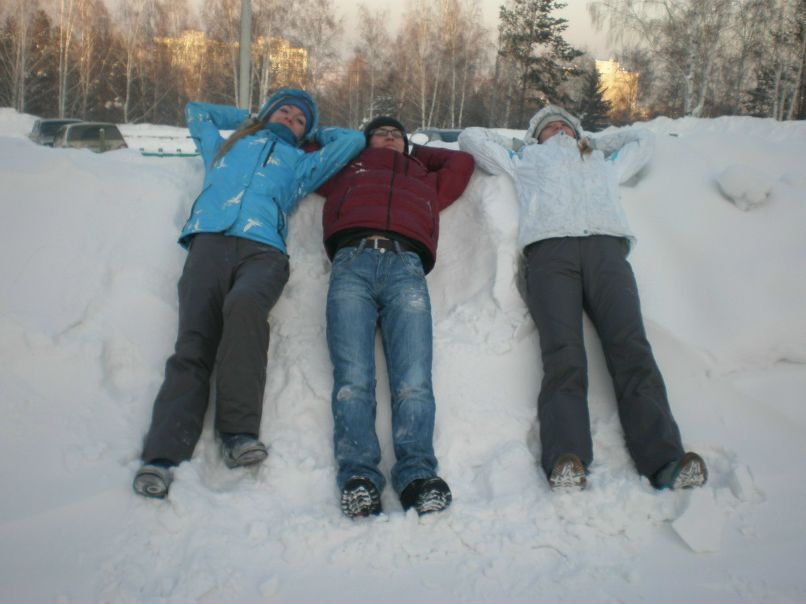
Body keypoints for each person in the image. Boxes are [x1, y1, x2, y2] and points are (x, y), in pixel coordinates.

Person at [458, 106, 707, 491]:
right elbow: (471, 137)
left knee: (632, 350)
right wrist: (522, 143)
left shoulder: (602, 161)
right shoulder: (524, 160)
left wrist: (595, 141)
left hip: (606, 252)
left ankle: (665, 460)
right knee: (564, 356)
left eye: (565, 126)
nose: (557, 130)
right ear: (535, 136)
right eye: (548, 127)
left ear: (578, 133)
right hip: (550, 255)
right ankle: (565, 459)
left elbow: (644, 141)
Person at [133, 88, 365, 499]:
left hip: (264, 252)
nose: (291, 120)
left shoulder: (301, 163)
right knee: (194, 344)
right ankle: (161, 458)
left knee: (244, 311)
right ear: (269, 113)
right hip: (208, 243)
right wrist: (251, 116)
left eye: (299, 120)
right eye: (286, 112)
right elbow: (196, 112)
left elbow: (352, 141)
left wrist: (314, 132)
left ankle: (238, 434)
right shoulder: (225, 148)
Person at [316, 116, 475, 517]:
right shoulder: (345, 169)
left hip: (407, 267)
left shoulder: (424, 177)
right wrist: (358, 148)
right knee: (353, 379)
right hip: (351, 262)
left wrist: (411, 152)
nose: (389, 138)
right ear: (364, 141)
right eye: (380, 134)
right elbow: (306, 152)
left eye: (396, 135)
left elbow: (462, 164)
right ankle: (359, 478)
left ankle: (418, 476)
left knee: (414, 382)